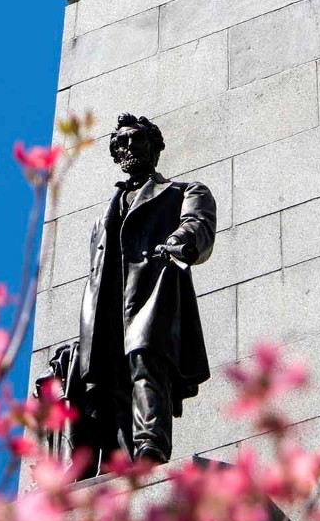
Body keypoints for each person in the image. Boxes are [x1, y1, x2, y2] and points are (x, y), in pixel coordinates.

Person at [75, 113, 217, 467]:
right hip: (106, 307)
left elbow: (197, 224)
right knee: (110, 382)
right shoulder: (102, 217)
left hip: (153, 292)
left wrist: (179, 241)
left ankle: (150, 447)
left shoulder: (183, 191)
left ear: (154, 148)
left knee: (146, 362)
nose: (129, 147)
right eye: (121, 142)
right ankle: (121, 460)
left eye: (137, 139)